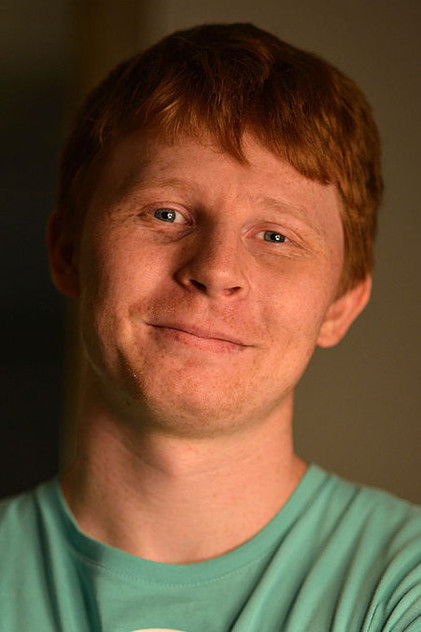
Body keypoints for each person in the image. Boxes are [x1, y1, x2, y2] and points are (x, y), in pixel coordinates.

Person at [0, 22, 419, 632]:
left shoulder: (404, 592)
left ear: (340, 304)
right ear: (68, 252)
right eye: (166, 214)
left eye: (275, 236)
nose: (217, 270)